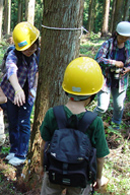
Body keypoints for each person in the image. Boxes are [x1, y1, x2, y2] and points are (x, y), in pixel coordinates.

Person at [40, 57, 110, 194]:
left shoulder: (52, 114)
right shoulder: (95, 122)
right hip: (81, 175)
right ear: (93, 94)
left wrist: (43, 167)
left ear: (66, 89)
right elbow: (100, 157)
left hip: (54, 171)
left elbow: (44, 145)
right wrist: (98, 177)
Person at [0, 21, 39, 166]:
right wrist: (17, 89)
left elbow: (38, 73)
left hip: (28, 95)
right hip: (12, 93)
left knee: (23, 123)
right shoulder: (13, 54)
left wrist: (33, 89)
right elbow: (11, 70)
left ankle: (21, 154)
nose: (29, 50)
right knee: (13, 122)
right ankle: (14, 149)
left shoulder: (39, 54)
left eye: (32, 47)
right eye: (25, 49)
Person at [94, 21, 130, 129]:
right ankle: (90, 124)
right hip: (106, 79)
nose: (124, 40)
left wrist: (127, 69)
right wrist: (114, 62)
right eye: (122, 37)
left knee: (119, 106)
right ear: (117, 34)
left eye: (126, 38)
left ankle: (115, 126)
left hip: (121, 81)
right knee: (102, 107)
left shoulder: (128, 46)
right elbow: (98, 59)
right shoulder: (108, 44)